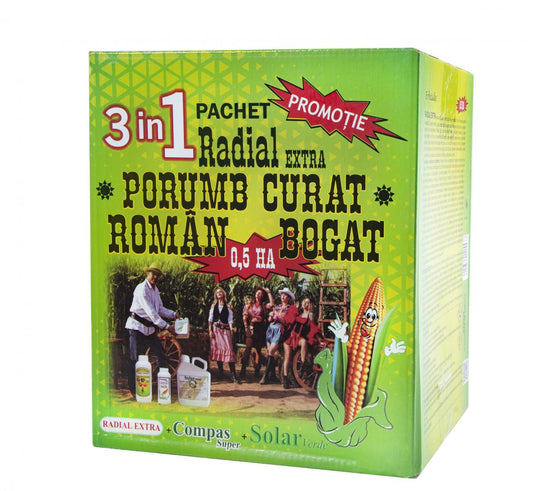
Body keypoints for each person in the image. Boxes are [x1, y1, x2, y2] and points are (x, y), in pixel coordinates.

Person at [125, 263, 179, 397]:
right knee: (134, 358)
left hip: (149, 329)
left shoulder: (155, 290)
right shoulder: (141, 289)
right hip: (136, 327)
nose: (155, 277)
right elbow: (152, 313)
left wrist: (173, 314)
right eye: (153, 274)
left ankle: (163, 386)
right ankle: (134, 391)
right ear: (147, 273)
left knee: (161, 355)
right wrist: (167, 327)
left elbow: (159, 309)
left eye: (158, 275)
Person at [260, 287, 298, 385]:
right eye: (282, 295)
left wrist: (279, 318)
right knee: (269, 352)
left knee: (271, 351)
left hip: (279, 330)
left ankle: (265, 376)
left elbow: (288, 322)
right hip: (271, 329)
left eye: (285, 295)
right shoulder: (277, 307)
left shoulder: (291, 308)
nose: (283, 297)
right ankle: (272, 376)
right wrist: (271, 316)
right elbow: (270, 320)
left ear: (289, 298)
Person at [281, 297, 320, 389]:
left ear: (310, 305)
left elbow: (313, 328)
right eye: (304, 302)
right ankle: (285, 378)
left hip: (300, 338)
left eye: (308, 302)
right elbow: (289, 321)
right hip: (292, 337)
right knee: (287, 357)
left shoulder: (310, 315)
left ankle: (302, 364)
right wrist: (295, 309)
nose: (306, 304)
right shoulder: (298, 314)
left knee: (304, 342)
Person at [241, 286, 274, 379]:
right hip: (251, 327)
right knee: (248, 348)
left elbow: (272, 304)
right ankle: (243, 369)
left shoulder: (263, 305)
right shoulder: (249, 304)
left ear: (262, 296)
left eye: (261, 293)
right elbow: (244, 316)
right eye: (258, 292)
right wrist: (246, 327)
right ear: (255, 294)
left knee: (258, 350)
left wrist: (268, 292)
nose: (259, 294)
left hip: (260, 329)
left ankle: (257, 370)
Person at [208, 287, 240, 383]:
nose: (219, 293)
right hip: (216, 330)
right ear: (216, 295)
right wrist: (210, 330)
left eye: (220, 292)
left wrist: (231, 328)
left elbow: (230, 319)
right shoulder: (213, 306)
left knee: (229, 349)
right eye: (217, 292)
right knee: (218, 350)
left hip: (225, 330)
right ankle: (220, 373)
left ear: (223, 294)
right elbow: (210, 319)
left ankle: (233, 375)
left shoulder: (228, 306)